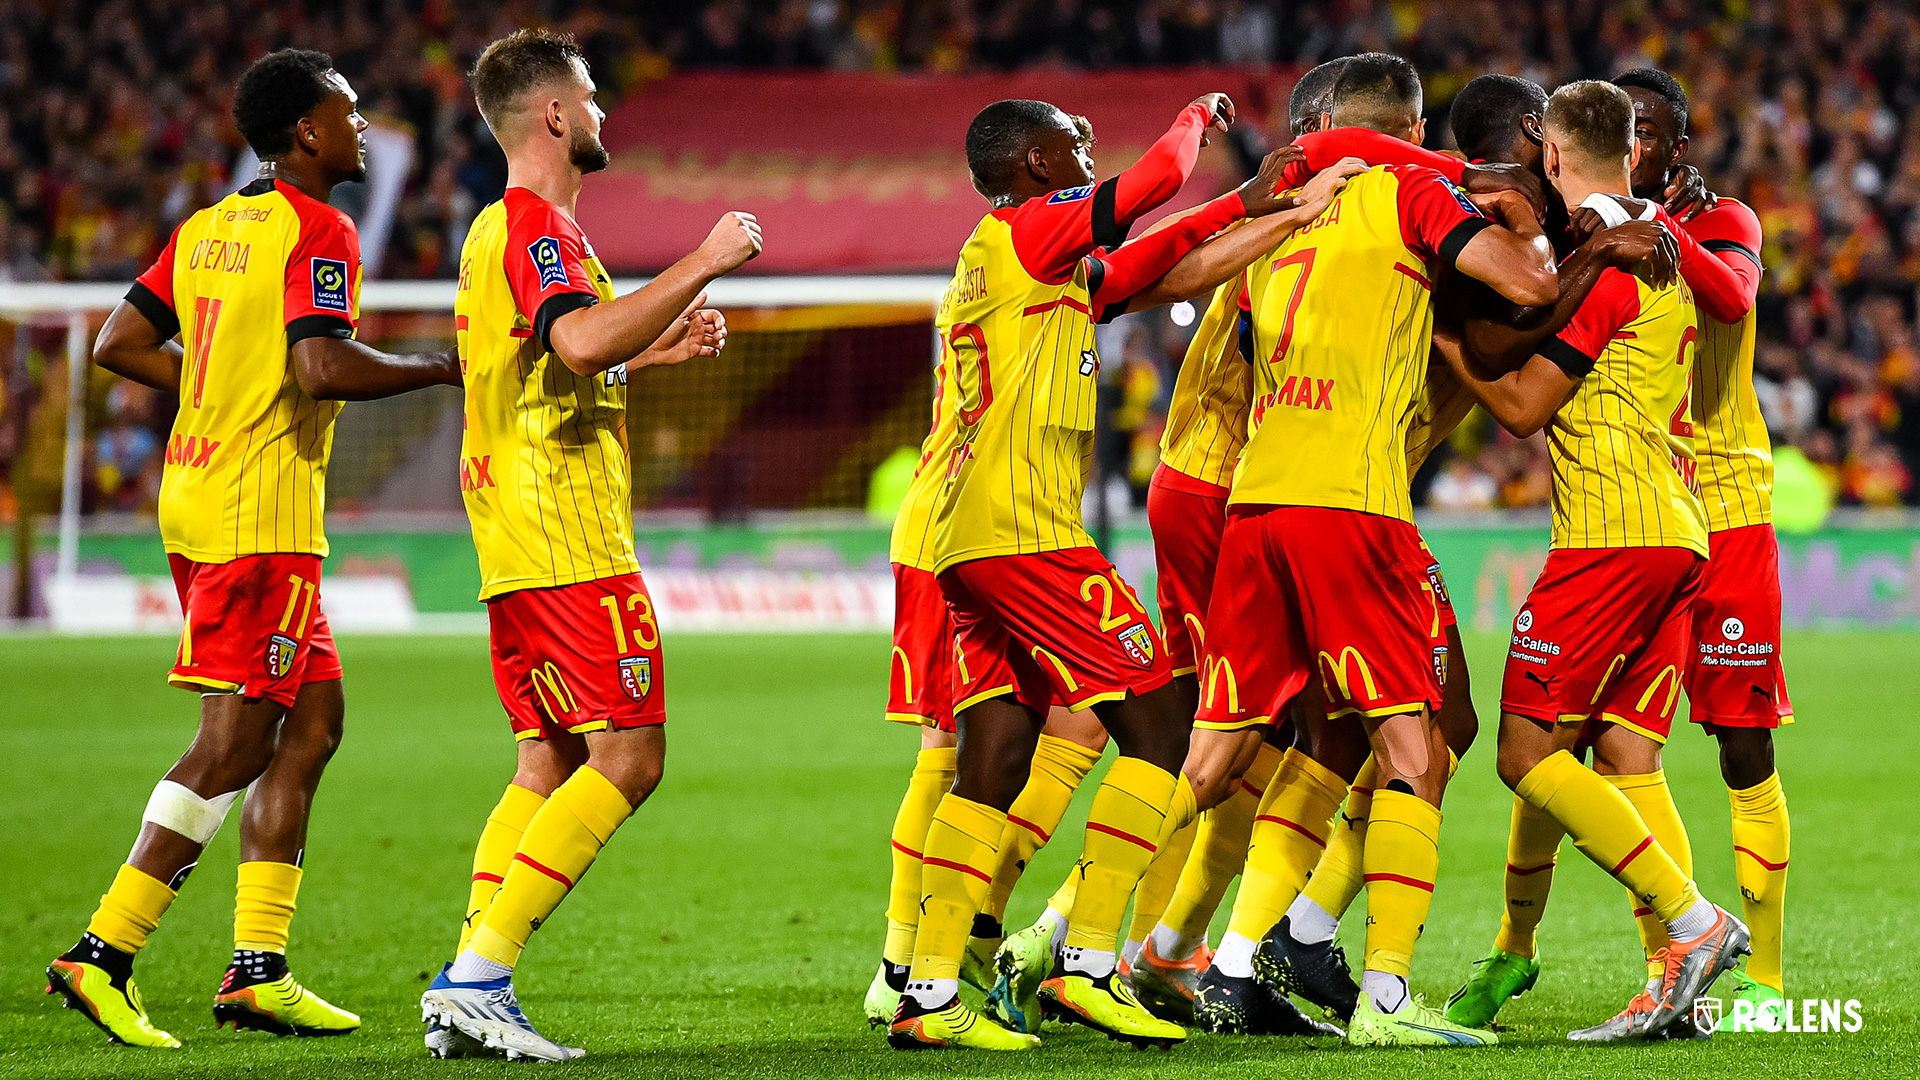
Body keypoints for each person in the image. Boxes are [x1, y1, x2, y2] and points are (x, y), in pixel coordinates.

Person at [886, 91, 1339, 1052]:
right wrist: (1188, 122)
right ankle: (1089, 962)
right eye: (1073, 140)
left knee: (998, 758)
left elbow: (1167, 258)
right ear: (1033, 168)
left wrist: (1273, 209)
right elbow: (1159, 186)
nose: (1088, 148)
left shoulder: (1008, 260)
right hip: (1029, 533)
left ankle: (926, 993)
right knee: (1163, 724)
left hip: (966, 536)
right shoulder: (1034, 229)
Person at [47, 48, 464, 1047]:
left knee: (312, 722)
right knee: (235, 741)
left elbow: (117, 343)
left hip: (197, 493)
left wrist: (218, 386)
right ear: (309, 132)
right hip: (257, 514)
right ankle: (103, 952)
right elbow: (319, 365)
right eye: (351, 110)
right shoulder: (320, 228)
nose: (363, 125)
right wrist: (442, 367)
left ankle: (256, 970)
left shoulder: (208, 229)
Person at [1192, 52, 1559, 1048]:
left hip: (1258, 500)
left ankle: (1131, 949)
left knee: (1223, 753)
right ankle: (1384, 995)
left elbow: (1191, 289)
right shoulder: (1418, 197)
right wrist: (1549, 232)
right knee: (1423, 743)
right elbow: (1523, 302)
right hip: (1357, 506)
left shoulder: (1284, 205)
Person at [416, 29, 757, 1062]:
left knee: (548, 759)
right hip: (570, 539)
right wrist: (702, 262)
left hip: (512, 538)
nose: (605, 114)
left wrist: (650, 351)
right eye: (594, 98)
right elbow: (574, 340)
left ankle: (465, 982)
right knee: (631, 755)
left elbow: (550, 369)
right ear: (556, 115)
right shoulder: (539, 229)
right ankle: (479, 976)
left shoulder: (490, 234)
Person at [1446, 66, 1792, 1037]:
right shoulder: (1630, 249)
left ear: (1554, 155)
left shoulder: (1629, 257)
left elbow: (1520, 405)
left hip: (1620, 532)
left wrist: (1443, 339)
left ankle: (1701, 931)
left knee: (1526, 753)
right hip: (1673, 531)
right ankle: (1617, 966)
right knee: (1618, 751)